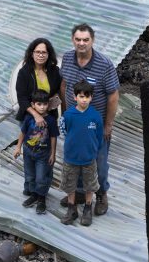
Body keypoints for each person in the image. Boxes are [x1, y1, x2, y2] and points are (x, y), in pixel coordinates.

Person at [59, 23, 119, 215]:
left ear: (92, 40)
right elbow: (64, 85)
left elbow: (113, 95)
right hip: (74, 123)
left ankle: (101, 193)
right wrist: (65, 112)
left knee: (99, 163)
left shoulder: (104, 64)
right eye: (78, 39)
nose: (81, 43)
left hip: (96, 125)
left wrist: (108, 124)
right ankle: (78, 193)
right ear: (72, 40)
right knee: (75, 159)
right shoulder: (68, 58)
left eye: (86, 40)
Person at [58, 80, 104, 227]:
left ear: (91, 97)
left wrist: (93, 150)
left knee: (89, 185)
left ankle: (88, 208)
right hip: (71, 158)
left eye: (87, 96)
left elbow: (99, 136)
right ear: (74, 97)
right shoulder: (68, 115)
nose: (84, 99)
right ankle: (72, 209)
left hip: (89, 159)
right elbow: (64, 131)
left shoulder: (95, 116)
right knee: (69, 184)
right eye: (81, 96)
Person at [13, 89, 58, 214]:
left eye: (44, 104)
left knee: (41, 177)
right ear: (33, 105)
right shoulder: (28, 118)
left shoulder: (51, 120)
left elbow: (54, 137)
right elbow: (22, 132)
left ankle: (41, 199)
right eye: (39, 104)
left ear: (48, 104)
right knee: (30, 175)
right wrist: (18, 147)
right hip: (28, 152)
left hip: (43, 155)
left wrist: (53, 154)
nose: (42, 107)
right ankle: (34, 195)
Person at [15, 37, 62, 126]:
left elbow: (59, 90)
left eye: (44, 52)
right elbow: (22, 98)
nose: (41, 55)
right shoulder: (24, 72)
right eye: (37, 52)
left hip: (49, 116)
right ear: (32, 54)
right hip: (29, 118)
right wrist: (36, 115)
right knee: (30, 139)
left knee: (49, 138)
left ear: (49, 54)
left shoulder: (55, 71)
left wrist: (54, 100)